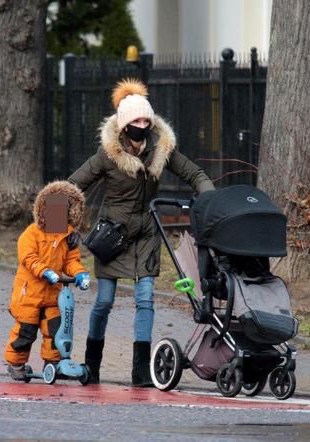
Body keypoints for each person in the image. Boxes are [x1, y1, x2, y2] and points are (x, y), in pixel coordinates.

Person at [69, 78, 215, 387]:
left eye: (146, 119)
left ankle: (140, 371)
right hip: (113, 235)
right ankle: (92, 364)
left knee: (146, 298)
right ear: (124, 126)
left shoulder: (160, 150)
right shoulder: (106, 156)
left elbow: (195, 173)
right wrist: (54, 225)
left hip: (147, 233)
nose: (142, 124)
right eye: (136, 120)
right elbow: (71, 188)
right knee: (105, 301)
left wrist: (210, 198)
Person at [4, 180, 91, 380]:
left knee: (55, 330)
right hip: (30, 292)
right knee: (25, 331)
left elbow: (71, 261)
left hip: (54, 294)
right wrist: (44, 271)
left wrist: (80, 273)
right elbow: (28, 258)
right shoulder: (32, 233)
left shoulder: (68, 237)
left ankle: (52, 363)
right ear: (44, 209)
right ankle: (16, 363)